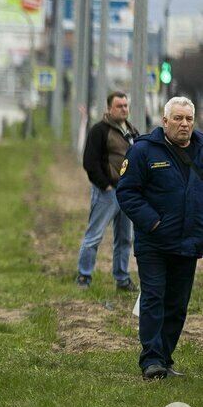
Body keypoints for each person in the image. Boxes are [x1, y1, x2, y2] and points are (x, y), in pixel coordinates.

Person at [117, 96, 203, 380]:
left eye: (189, 119)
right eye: (178, 118)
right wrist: (152, 222)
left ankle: (165, 358)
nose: (184, 124)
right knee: (154, 298)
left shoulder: (201, 150)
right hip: (154, 243)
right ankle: (151, 360)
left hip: (189, 243)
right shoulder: (144, 151)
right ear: (165, 121)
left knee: (177, 306)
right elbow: (127, 192)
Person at [77, 92, 140, 291]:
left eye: (125, 105)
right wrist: (105, 185)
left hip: (128, 193)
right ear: (109, 109)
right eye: (119, 105)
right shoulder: (99, 130)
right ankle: (84, 276)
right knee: (94, 236)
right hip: (107, 192)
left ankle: (122, 279)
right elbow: (90, 162)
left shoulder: (132, 131)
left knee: (125, 238)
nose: (123, 109)